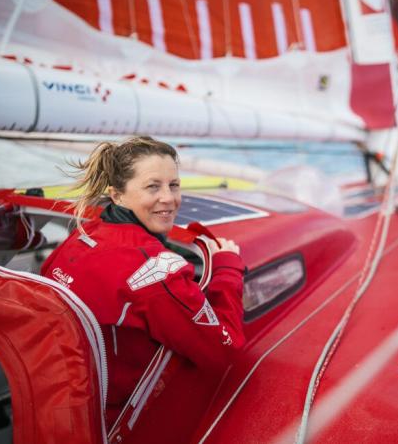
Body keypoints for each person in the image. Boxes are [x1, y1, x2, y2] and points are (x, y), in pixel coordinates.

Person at [40, 136, 245, 424]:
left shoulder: (81, 238)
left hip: (60, 401)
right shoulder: (156, 272)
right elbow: (224, 352)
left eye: (174, 185)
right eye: (153, 186)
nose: (169, 198)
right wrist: (227, 270)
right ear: (117, 195)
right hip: (116, 420)